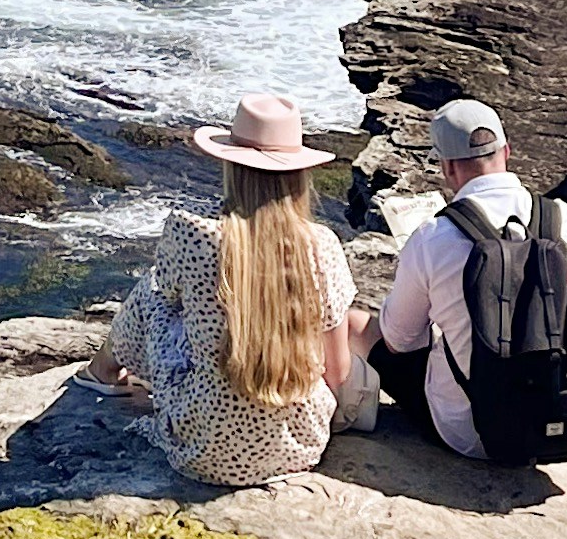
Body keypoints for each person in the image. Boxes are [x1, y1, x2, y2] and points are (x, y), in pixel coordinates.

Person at [89, 93, 379, 484]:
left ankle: (105, 371)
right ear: (298, 174)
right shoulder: (322, 245)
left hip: (201, 445)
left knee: (152, 293)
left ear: (231, 166)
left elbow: (170, 303)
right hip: (297, 447)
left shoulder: (192, 234)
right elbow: (338, 370)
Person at [351, 97, 567, 458]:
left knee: (354, 324)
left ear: (447, 167)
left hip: (468, 434)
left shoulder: (433, 237)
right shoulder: (563, 218)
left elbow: (399, 343)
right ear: (507, 151)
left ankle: (345, 421)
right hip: (560, 419)